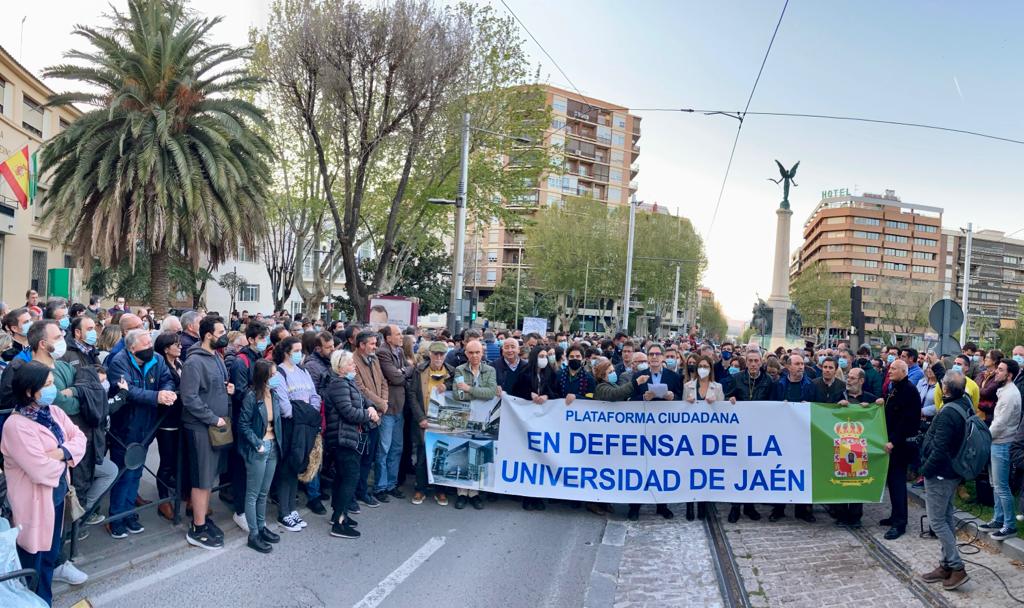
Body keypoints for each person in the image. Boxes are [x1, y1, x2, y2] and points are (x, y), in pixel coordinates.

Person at [1, 361, 87, 605]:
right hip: (34, 502)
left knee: (50, 554)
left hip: (57, 495)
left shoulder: (54, 412)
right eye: (48, 384)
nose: (54, 389)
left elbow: (79, 437)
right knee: (33, 562)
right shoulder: (16, 426)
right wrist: (68, 456)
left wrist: (61, 453)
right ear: (29, 391)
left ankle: (44, 601)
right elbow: (40, 470)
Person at [180, 317, 233, 550]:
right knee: (202, 478)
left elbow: (217, 384)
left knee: (210, 475)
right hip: (201, 427)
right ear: (208, 335)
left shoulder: (217, 356)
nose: (224, 335)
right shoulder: (194, 362)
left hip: (217, 426)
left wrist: (228, 388)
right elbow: (189, 398)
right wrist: (212, 418)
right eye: (220, 331)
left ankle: (202, 519)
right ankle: (197, 528)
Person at [918, 370, 971, 590]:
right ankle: (946, 565)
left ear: (946, 389)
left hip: (941, 473)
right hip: (952, 472)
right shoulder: (964, 402)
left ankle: (957, 568)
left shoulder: (949, 412)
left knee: (938, 521)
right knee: (946, 518)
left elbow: (940, 449)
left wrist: (925, 470)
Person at [323, 350, 380, 538]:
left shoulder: (347, 383)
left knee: (343, 477)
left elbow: (364, 400)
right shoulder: (339, 385)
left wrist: (370, 406)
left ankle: (340, 514)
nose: (353, 366)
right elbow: (348, 412)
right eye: (350, 364)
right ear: (340, 367)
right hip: (344, 438)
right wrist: (368, 414)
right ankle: (339, 523)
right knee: (349, 478)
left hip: (349, 437)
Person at [272, 336, 324, 525]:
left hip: (306, 425)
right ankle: (283, 511)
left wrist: (307, 410)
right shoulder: (279, 374)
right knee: (288, 467)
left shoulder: (303, 371)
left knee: (298, 466)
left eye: (300, 350)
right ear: (286, 352)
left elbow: (314, 396)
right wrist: (305, 410)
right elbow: (285, 407)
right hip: (291, 427)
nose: (299, 354)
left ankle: (292, 509)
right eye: (296, 351)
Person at [227, 322, 270, 530]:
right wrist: (260, 395)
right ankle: (241, 511)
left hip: (259, 420)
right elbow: (241, 393)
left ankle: (251, 509)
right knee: (242, 467)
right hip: (245, 421)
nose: (265, 342)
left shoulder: (260, 359)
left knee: (254, 468)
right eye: (262, 338)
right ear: (251, 339)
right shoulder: (240, 362)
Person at [238, 359, 284, 553]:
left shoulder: (273, 395)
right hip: (259, 448)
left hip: (273, 445)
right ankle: (254, 534)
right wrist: (257, 444)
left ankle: (262, 527)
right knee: (253, 494)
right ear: (263, 377)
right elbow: (243, 425)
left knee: (263, 492)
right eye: (272, 375)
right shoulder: (251, 396)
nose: (276, 378)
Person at [828, 366, 880, 528]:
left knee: (858, 481)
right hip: (840, 446)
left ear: (861, 381)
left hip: (861, 448)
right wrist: (836, 406)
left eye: (852, 378)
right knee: (841, 479)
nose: (848, 381)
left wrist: (877, 404)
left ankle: (856, 516)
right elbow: (826, 415)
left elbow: (879, 415)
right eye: (848, 377)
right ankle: (841, 515)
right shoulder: (838, 396)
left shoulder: (869, 398)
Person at [769, 353, 815, 523]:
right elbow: (770, 406)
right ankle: (778, 508)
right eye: (797, 364)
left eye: (802, 364)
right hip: (782, 435)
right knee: (781, 470)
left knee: (802, 471)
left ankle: (802, 509)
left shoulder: (810, 385)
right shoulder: (778, 385)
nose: (801, 367)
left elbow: (817, 408)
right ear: (788, 366)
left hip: (803, 435)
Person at [451, 339, 497, 510]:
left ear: (482, 353)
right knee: (464, 452)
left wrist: (469, 389)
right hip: (465, 417)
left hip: (484, 419)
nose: (475, 356)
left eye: (477, 352)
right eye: (471, 353)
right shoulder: (460, 370)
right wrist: (478, 393)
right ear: (466, 354)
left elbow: (491, 393)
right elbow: (457, 394)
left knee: (480, 454)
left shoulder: (490, 370)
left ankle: (475, 493)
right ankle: (462, 493)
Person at [879, 360, 921, 540]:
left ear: (904, 371)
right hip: (893, 442)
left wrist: (893, 441)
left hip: (901, 445)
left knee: (897, 483)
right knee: (892, 483)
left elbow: (906, 421)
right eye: (890, 368)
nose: (890, 371)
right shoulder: (895, 387)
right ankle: (895, 515)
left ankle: (900, 523)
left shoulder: (909, 390)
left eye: (894, 369)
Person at [408, 342, 453, 506]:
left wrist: (447, 385)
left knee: (442, 455)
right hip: (425, 419)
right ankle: (420, 489)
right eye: (435, 354)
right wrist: (420, 418)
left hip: (443, 422)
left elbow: (458, 390)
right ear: (430, 354)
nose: (438, 358)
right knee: (421, 456)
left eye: (441, 355)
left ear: (445, 356)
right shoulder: (420, 370)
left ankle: (440, 490)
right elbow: (412, 394)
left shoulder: (452, 372)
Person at [981, 359, 1022, 541]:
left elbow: (999, 424)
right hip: (997, 442)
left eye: (1000, 370)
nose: (996, 372)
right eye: (997, 369)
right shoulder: (1005, 391)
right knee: (995, 484)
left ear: (1009, 375)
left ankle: (1010, 525)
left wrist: (983, 438)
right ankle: (998, 520)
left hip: (1002, 443)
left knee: (1002, 486)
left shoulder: (1010, 394)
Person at [682, 355, 725, 522]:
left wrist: (716, 403)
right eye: (701, 365)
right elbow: (680, 411)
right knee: (689, 471)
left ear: (711, 369)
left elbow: (723, 414)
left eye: (706, 366)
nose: (703, 368)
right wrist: (687, 402)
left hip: (709, 437)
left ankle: (702, 504)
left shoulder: (718, 387)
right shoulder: (688, 386)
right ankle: (689, 505)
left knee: (705, 471)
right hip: (692, 436)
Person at [376, 325, 413, 502]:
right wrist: (405, 371)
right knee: (384, 449)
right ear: (388, 337)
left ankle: (392, 484)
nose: (401, 337)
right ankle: (381, 486)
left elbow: (405, 371)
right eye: (398, 334)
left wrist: (403, 371)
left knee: (396, 448)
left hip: (400, 406)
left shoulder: (398, 351)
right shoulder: (383, 352)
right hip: (388, 408)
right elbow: (397, 377)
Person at [353, 329, 388, 508]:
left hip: (377, 415)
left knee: (369, 458)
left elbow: (382, 381)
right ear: (361, 345)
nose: (375, 347)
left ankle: (362, 491)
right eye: (372, 344)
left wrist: (383, 402)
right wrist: (380, 403)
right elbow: (361, 389)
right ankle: (354, 493)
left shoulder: (374, 360)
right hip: (364, 416)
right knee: (359, 459)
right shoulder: (352, 361)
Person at [153, 332, 186, 521]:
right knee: (166, 461)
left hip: (180, 419)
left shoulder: (179, 363)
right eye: (176, 345)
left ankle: (177, 492)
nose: (180, 347)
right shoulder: (162, 367)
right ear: (166, 349)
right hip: (166, 421)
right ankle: (163, 500)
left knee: (175, 460)